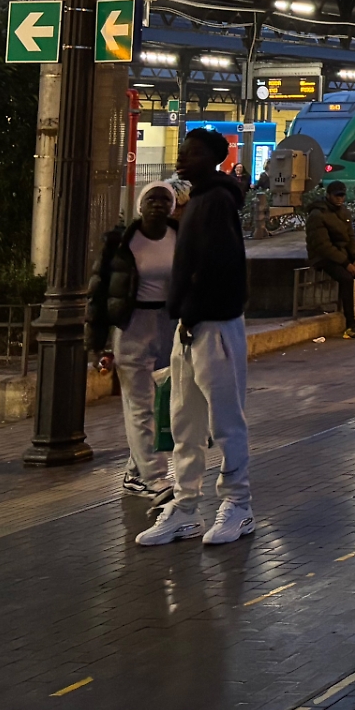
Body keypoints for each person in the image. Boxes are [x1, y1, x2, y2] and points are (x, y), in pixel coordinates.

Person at [138, 128, 256, 547]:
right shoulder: (201, 201)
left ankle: (238, 506)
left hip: (215, 326)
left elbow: (218, 265)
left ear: (215, 159)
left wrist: (194, 309)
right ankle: (185, 508)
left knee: (225, 420)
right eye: (182, 151)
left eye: (193, 153)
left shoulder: (217, 201)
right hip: (191, 326)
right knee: (185, 420)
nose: (182, 158)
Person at [87, 183, 179, 501]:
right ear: (140, 205)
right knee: (140, 406)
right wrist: (97, 345)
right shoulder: (120, 242)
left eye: (165, 199)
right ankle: (155, 478)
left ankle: (135, 471)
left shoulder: (179, 237)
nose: (158, 204)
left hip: (169, 326)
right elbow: (99, 293)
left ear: (172, 206)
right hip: (132, 327)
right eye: (151, 199)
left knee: (162, 403)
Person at [306, 182, 355, 338]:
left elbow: (350, 238)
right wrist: (346, 263)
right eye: (337, 195)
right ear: (329, 195)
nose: (340, 199)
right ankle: (350, 324)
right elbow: (323, 246)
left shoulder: (343, 213)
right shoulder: (318, 215)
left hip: (342, 255)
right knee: (346, 278)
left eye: (342, 195)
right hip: (323, 257)